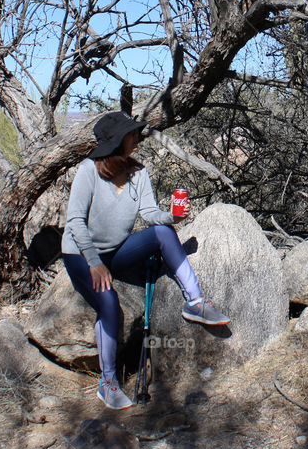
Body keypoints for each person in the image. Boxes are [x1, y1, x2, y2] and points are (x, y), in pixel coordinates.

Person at [62, 111, 230, 410]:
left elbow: (150, 213)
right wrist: (94, 262)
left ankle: (195, 301)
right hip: (81, 254)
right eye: (132, 134)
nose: (137, 138)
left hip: (116, 250)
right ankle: (109, 382)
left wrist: (172, 217)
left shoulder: (138, 173)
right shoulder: (88, 171)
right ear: (117, 141)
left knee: (164, 232)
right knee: (109, 303)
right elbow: (75, 221)